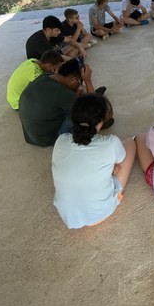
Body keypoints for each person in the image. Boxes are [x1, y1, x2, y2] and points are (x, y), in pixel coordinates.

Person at [52, 94, 136, 229]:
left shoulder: (61, 140)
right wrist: (111, 167)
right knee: (130, 143)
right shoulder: (110, 142)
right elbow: (121, 160)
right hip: (99, 214)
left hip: (68, 216)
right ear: (101, 121)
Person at [19, 59, 105, 147]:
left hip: (30, 136)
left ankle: (91, 95)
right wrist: (88, 81)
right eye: (79, 82)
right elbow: (94, 108)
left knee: (78, 97)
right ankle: (93, 100)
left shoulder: (46, 76)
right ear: (72, 79)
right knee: (86, 112)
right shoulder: (64, 94)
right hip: (47, 139)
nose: (79, 85)